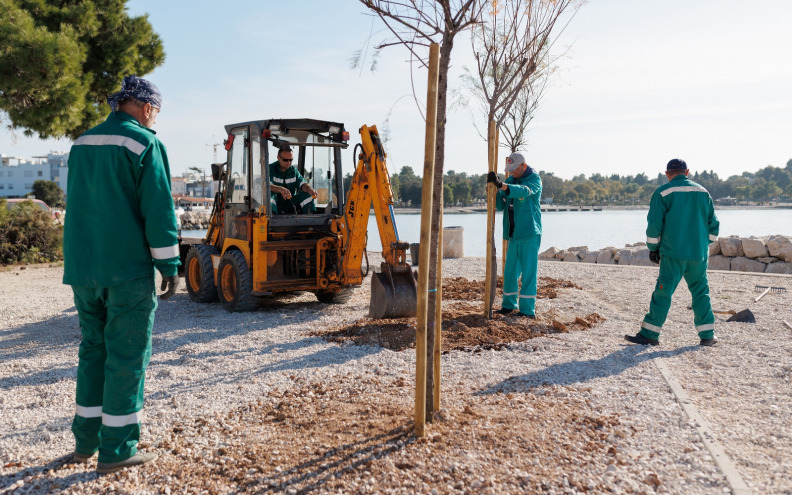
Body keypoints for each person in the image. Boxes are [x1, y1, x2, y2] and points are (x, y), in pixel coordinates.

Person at [63, 75, 180, 473]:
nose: (154, 119)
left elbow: (82, 204)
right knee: (127, 357)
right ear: (147, 107)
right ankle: (116, 451)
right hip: (126, 270)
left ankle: (85, 443)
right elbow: (159, 209)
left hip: (83, 270)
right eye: (156, 112)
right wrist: (169, 265)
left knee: (93, 350)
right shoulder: (145, 143)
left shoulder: (81, 144)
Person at [625, 158, 720, 347]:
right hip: (699, 255)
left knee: (664, 291)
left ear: (667, 174)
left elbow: (654, 225)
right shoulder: (703, 192)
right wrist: (702, 244)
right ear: (687, 172)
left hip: (673, 254)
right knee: (701, 292)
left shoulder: (663, 192)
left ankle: (650, 334)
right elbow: (714, 226)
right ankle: (707, 335)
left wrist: (653, 249)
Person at [488, 152, 543, 319]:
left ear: (523, 166)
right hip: (513, 234)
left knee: (528, 272)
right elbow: (500, 203)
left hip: (529, 233)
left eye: (514, 169)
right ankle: (508, 305)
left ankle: (527, 310)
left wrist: (503, 186)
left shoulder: (534, 180)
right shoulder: (512, 179)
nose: (512, 173)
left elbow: (523, 192)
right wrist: (495, 188)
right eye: (509, 170)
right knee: (510, 270)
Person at [269, 146, 318, 214]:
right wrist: (280, 189)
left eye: (291, 160)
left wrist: (309, 188)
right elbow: (266, 185)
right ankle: (271, 220)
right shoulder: (270, 169)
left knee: (307, 195)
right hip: (275, 205)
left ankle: (311, 221)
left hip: (290, 205)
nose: (288, 162)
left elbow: (302, 183)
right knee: (269, 195)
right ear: (278, 157)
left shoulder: (293, 171)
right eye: (285, 160)